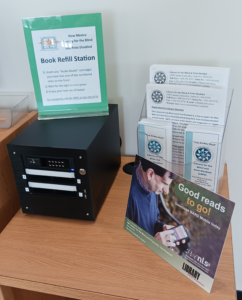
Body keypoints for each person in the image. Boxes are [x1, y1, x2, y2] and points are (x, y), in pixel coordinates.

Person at [126, 158, 182, 248]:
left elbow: (149, 223)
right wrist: (154, 244)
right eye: (164, 183)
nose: (166, 191)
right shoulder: (129, 197)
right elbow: (126, 245)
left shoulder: (151, 186)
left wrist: (162, 229)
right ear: (150, 174)